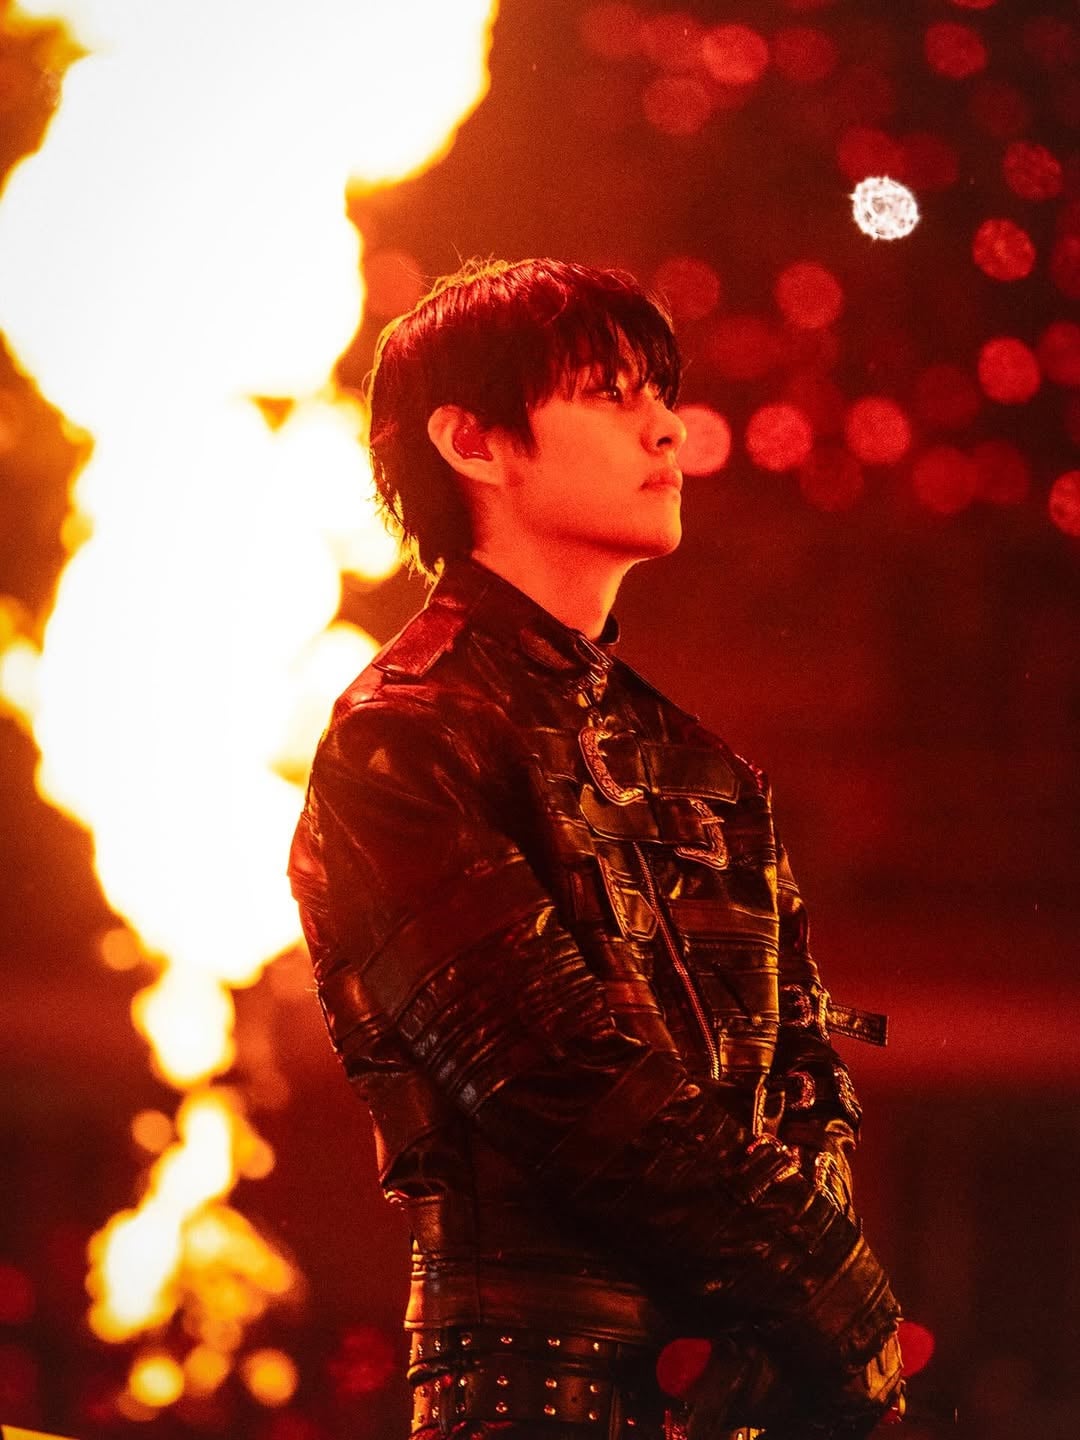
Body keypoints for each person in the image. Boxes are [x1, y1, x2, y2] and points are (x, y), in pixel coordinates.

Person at [288, 258, 905, 1440]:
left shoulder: (706, 765)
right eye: (609, 394)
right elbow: (551, 1076)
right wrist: (826, 1292)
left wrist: (814, 1310)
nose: (667, 427)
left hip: (743, 1390)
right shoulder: (404, 738)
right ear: (473, 441)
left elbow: (805, 1070)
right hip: (529, 1394)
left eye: (660, 393)